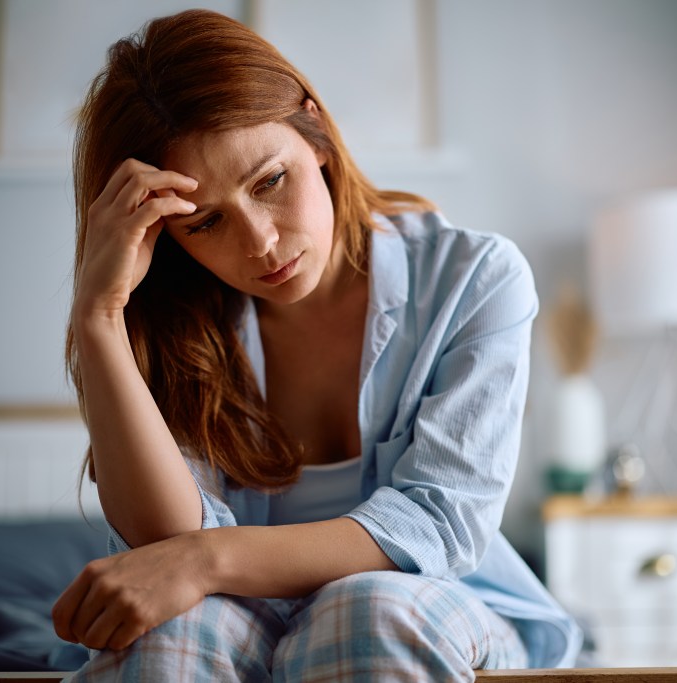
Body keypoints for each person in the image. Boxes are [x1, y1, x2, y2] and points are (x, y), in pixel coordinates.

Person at [51, 8, 581, 681]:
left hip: (443, 600)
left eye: (270, 181)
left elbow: (440, 523)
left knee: (368, 610)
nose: (261, 242)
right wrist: (100, 315)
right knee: (173, 632)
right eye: (207, 221)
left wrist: (206, 559)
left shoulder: (474, 279)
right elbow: (165, 545)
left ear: (318, 135)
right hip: (237, 609)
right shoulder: (168, 319)